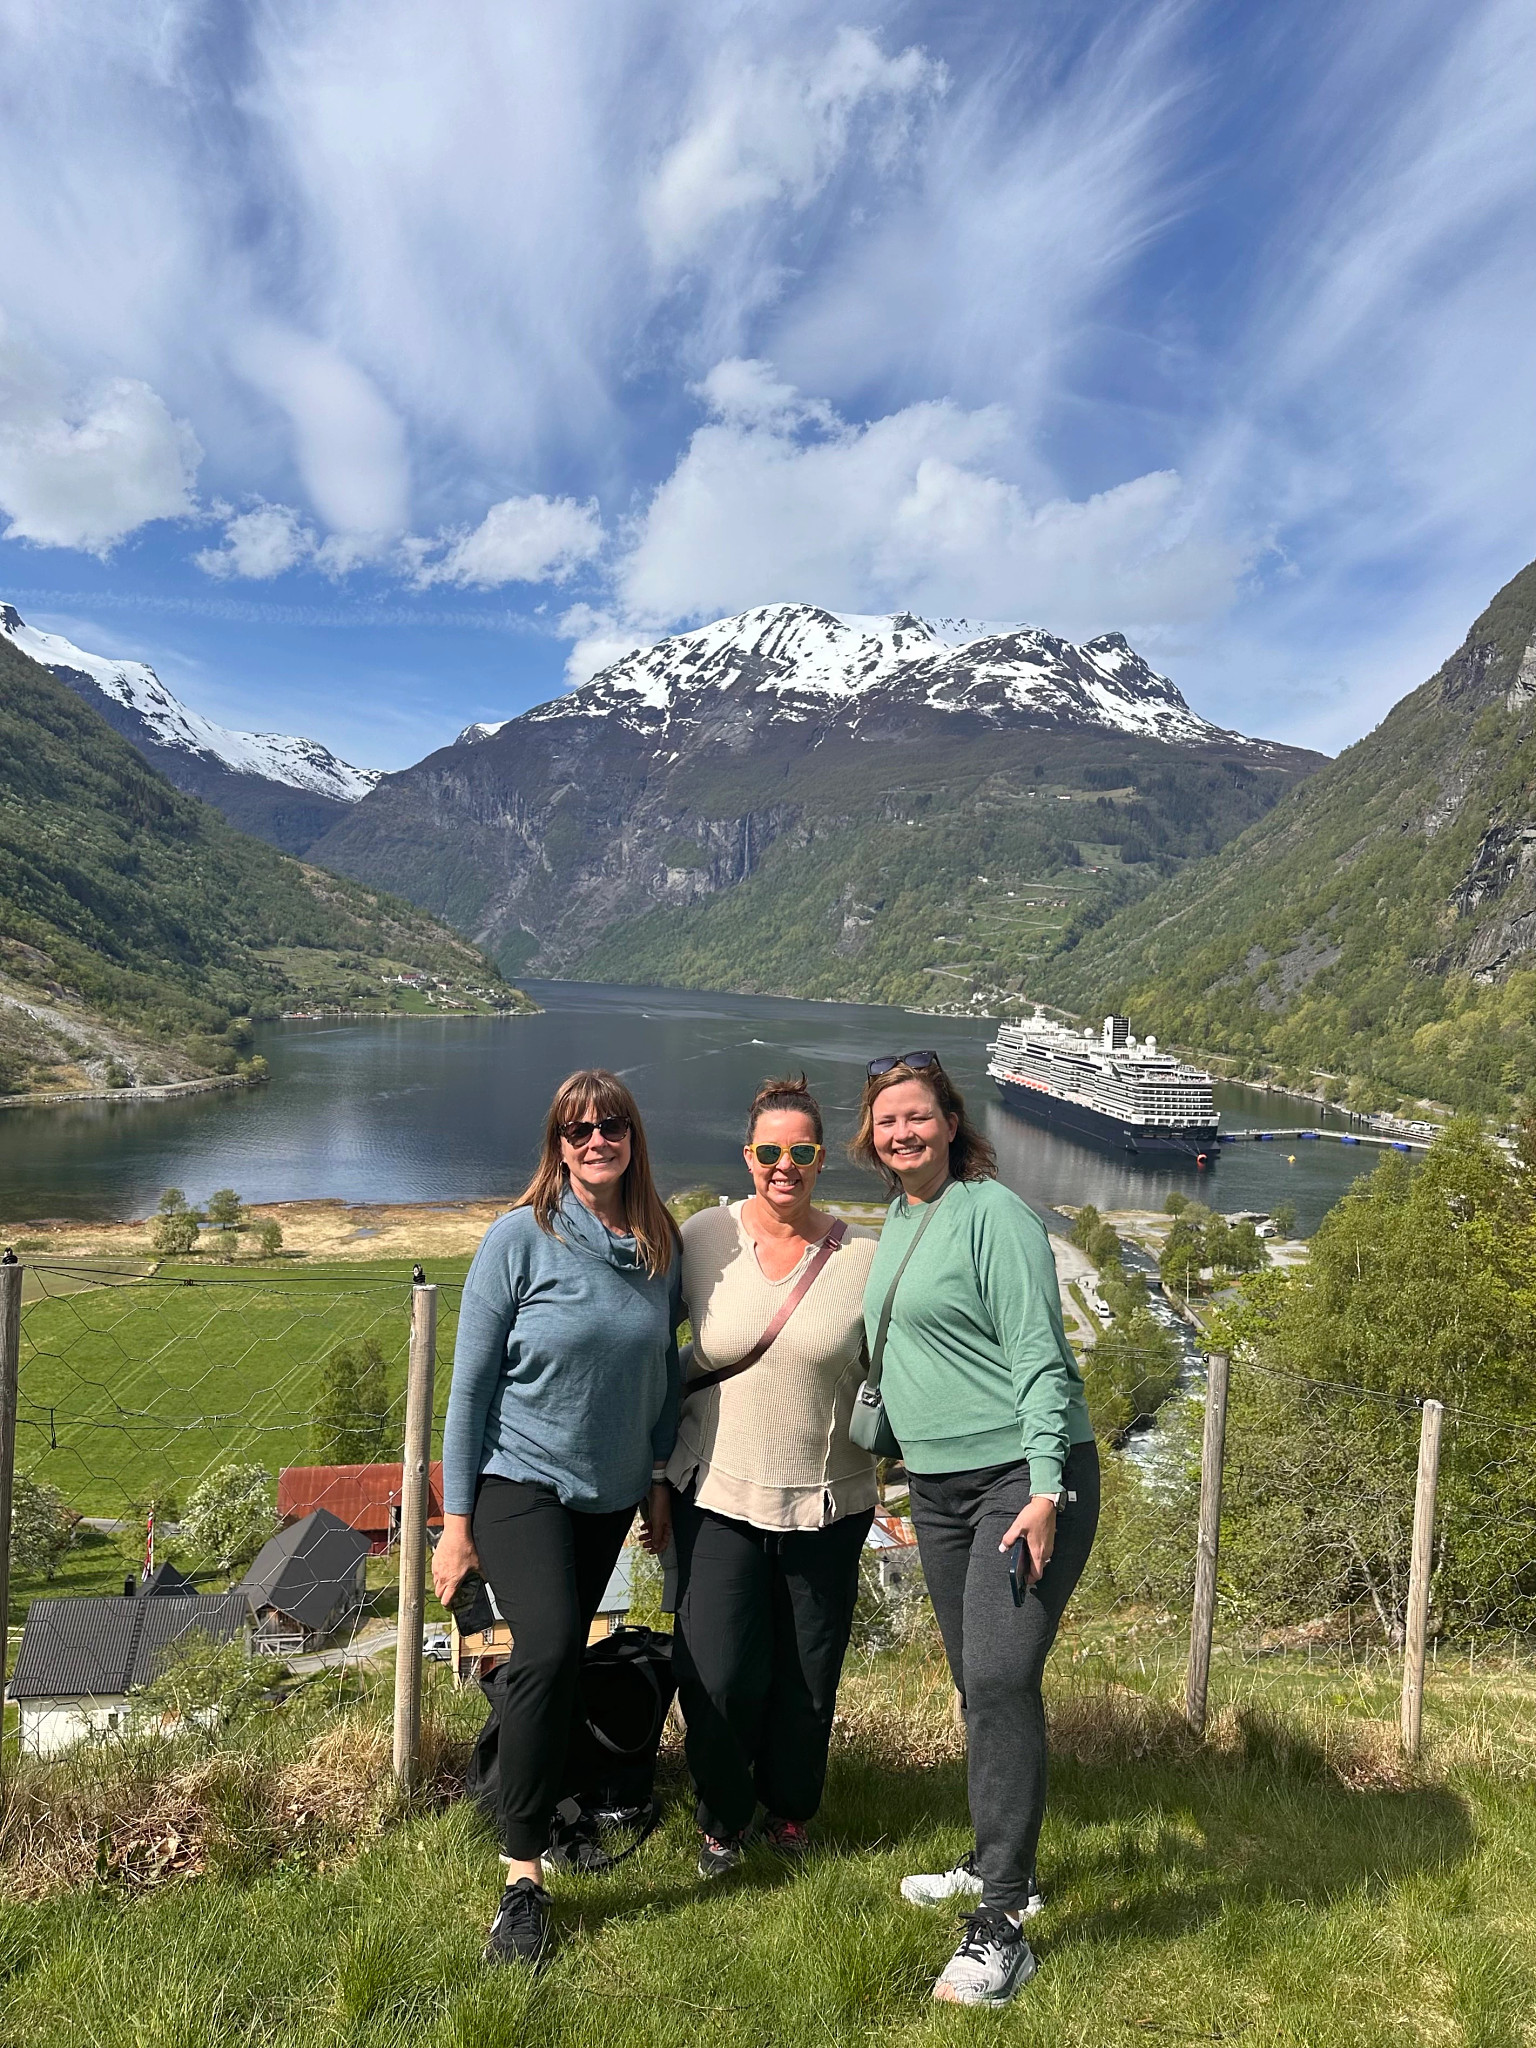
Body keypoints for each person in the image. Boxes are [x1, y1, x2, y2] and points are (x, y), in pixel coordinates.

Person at [851, 1051, 1099, 2008]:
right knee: (975, 1680)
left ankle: (1001, 1923)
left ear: (951, 1122)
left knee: (999, 1678)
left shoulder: (993, 1213)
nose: (903, 1132)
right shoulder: (907, 1220)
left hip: (1022, 1479)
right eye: (886, 1121)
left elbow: (1040, 1357)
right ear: (871, 1138)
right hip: (941, 1490)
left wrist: (1044, 1488)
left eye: (919, 1116)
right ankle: (1007, 1862)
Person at [434, 1069, 682, 1967]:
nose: (594, 1141)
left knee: (562, 1656)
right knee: (542, 1649)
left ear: (631, 1138)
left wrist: (656, 1477)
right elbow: (468, 1392)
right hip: (519, 1480)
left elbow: (663, 1377)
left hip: (611, 1492)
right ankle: (522, 1877)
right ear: (556, 1143)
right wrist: (456, 1524)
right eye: (576, 1130)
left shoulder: (659, 1247)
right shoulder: (519, 1239)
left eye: (610, 1125)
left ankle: (527, 1773)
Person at [668, 1074, 879, 1877]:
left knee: (807, 1675)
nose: (782, 1166)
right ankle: (723, 1816)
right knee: (715, 1672)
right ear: (747, 1155)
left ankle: (789, 1810)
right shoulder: (700, 1241)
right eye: (768, 1151)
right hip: (715, 1491)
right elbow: (649, 1352)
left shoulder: (865, 1256)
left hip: (828, 1500)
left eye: (800, 1152)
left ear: (821, 1159)